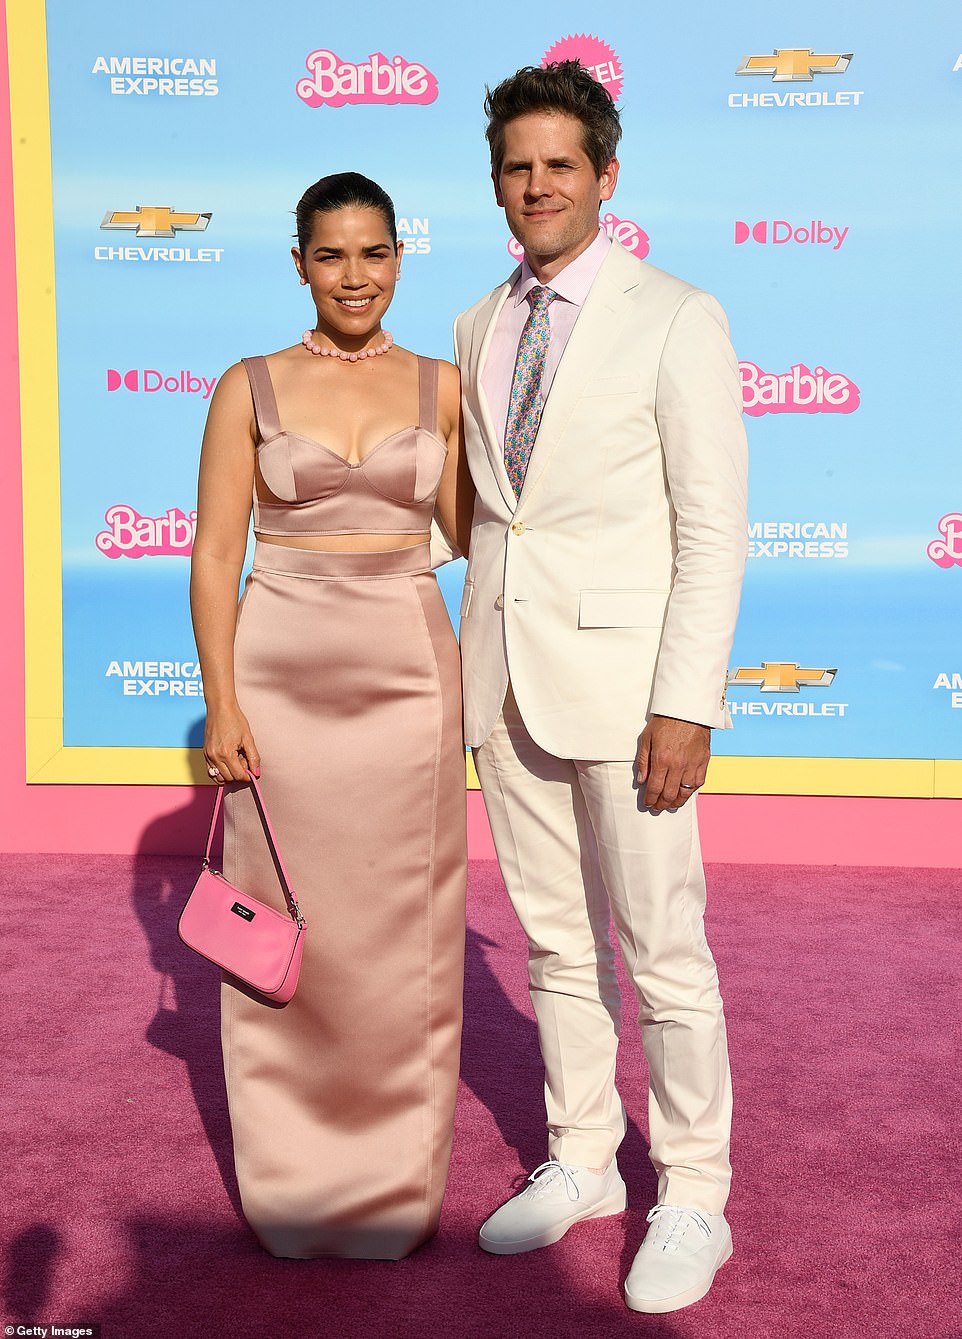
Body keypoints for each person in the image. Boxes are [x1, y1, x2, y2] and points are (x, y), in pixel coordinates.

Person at [454, 64, 748, 1313]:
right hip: (506, 680)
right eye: (516, 167)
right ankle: (581, 1158)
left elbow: (711, 528)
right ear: (497, 183)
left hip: (633, 695)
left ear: (604, 177)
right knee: (554, 945)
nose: (536, 186)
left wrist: (684, 701)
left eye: (558, 165)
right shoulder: (478, 322)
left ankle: (692, 1190)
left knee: (662, 952)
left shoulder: (674, 314)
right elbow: (485, 515)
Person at [189, 172, 473, 1261]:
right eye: (330, 255)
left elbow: (476, 541)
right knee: (288, 927)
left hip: (406, 678)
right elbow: (218, 554)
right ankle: (295, 1177)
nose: (353, 275)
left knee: (404, 935)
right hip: (282, 681)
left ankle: (395, 1183)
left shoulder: (440, 387)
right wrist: (222, 701)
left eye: (372, 253)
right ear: (298, 262)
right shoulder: (244, 387)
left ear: (398, 256)